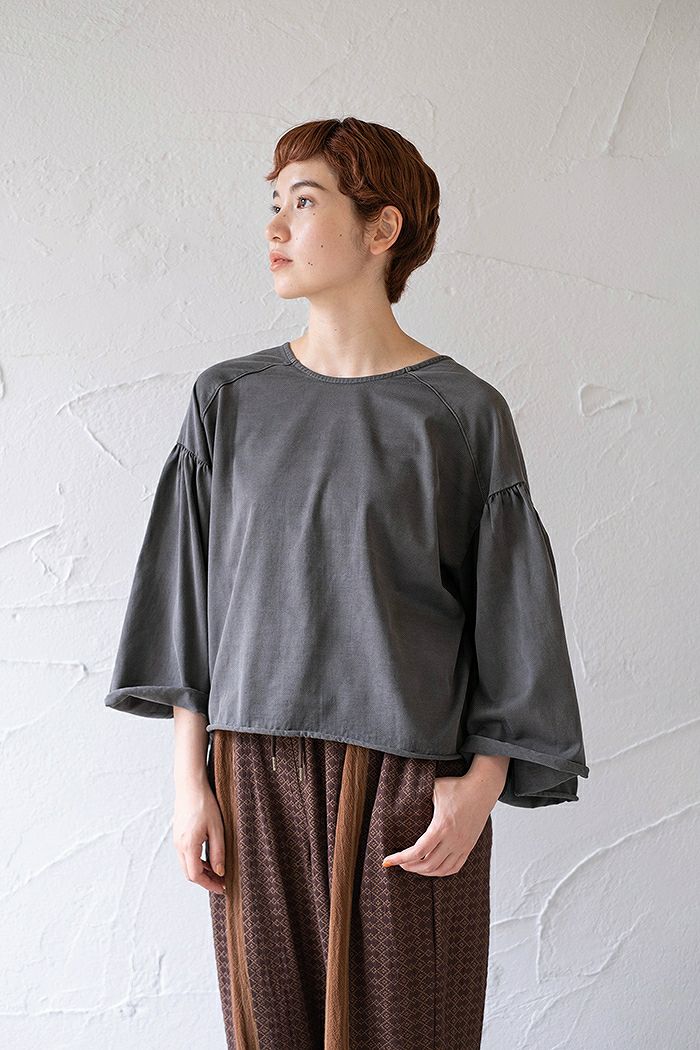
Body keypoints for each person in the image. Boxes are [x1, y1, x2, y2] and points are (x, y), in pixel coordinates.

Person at [104, 116, 589, 1050]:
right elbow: (186, 602)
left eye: (304, 201)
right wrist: (190, 782)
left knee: (413, 1032)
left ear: (382, 228)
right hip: (251, 775)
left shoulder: (460, 413)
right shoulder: (227, 401)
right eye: (274, 203)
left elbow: (513, 615)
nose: (275, 226)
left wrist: (480, 786)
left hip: (409, 780)